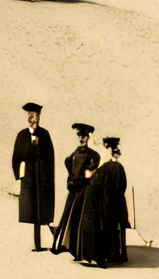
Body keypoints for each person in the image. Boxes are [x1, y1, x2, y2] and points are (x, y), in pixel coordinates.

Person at [75, 136, 130, 268]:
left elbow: (95, 185)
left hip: (102, 204)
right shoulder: (117, 167)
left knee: (95, 226)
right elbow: (122, 186)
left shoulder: (105, 168)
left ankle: (97, 258)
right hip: (112, 204)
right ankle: (104, 256)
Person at [12, 102, 56, 252]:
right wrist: (18, 178)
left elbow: (50, 159)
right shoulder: (22, 135)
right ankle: (35, 245)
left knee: (42, 213)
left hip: (42, 180)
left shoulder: (45, 134)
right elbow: (16, 158)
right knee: (31, 213)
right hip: (29, 181)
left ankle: (45, 243)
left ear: (39, 117)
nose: (31, 117)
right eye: (29, 114)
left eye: (34, 114)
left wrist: (48, 180)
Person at [53, 123, 97, 255]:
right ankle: (61, 245)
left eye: (84, 136)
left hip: (84, 191)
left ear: (88, 137)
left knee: (80, 219)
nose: (82, 139)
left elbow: (91, 171)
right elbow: (67, 162)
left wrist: (84, 176)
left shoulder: (93, 155)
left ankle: (78, 249)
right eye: (79, 136)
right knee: (67, 215)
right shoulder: (74, 153)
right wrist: (71, 177)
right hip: (72, 188)